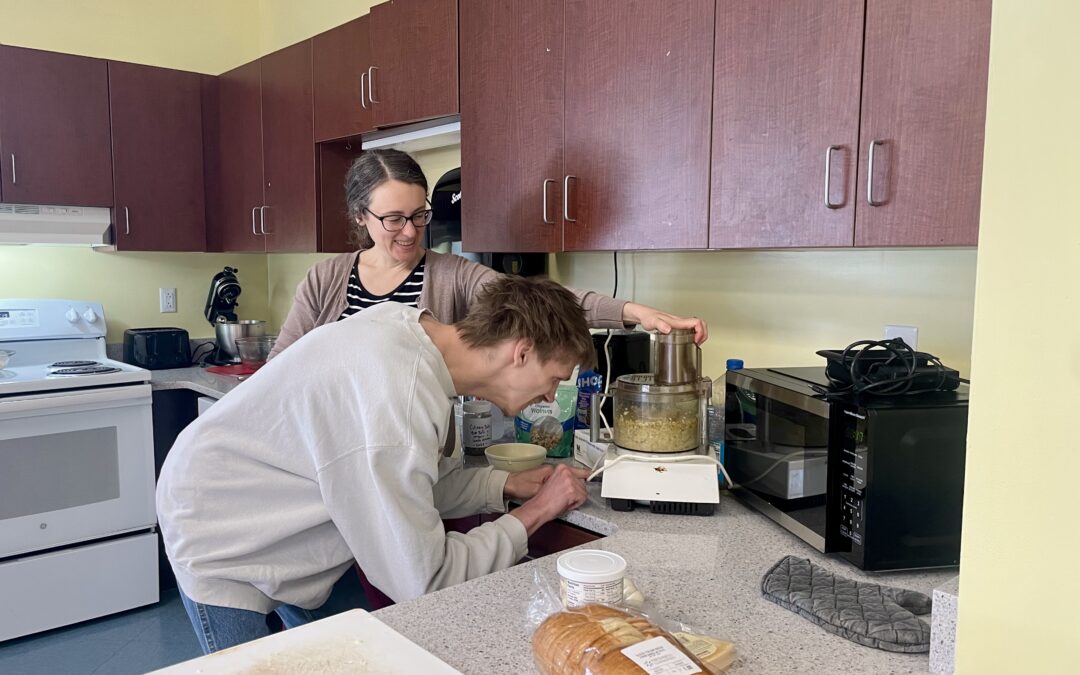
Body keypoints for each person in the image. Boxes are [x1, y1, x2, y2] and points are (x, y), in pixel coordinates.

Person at [157, 276, 596, 654]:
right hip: (217, 528)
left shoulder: (412, 334)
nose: (548, 396)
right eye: (554, 378)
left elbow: (407, 488)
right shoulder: (397, 401)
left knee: (354, 653)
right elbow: (425, 581)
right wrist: (536, 512)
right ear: (520, 353)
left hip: (283, 505)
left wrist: (501, 485)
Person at [267, 149, 707, 361]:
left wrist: (635, 312)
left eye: (420, 215)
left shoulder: (453, 276)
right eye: (393, 219)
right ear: (360, 217)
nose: (410, 232)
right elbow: (280, 367)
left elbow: (538, 299)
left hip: (418, 455)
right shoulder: (324, 279)